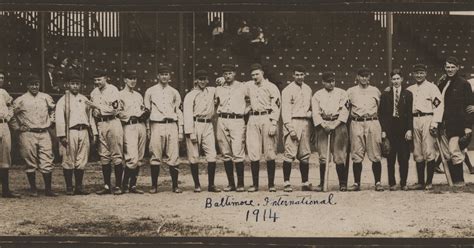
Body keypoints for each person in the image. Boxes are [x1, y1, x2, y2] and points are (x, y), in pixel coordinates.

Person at [11, 74, 57, 197]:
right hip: (28, 133)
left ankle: (48, 189)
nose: (34, 86)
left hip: (44, 132)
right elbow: (11, 114)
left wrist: (52, 121)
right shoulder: (21, 99)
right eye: (32, 84)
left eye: (36, 84)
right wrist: (17, 127)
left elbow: (53, 109)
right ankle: (33, 188)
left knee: (47, 159)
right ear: (27, 86)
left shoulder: (45, 97)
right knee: (30, 160)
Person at [144, 65, 184, 193]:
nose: (164, 77)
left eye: (167, 74)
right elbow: (146, 111)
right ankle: (154, 185)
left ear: (170, 76)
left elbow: (179, 112)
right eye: (162, 74)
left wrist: (181, 130)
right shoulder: (150, 91)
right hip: (156, 124)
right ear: (158, 76)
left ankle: (175, 186)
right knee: (155, 155)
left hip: (172, 124)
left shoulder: (174, 92)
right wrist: (148, 130)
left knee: (174, 155)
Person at [55, 74, 97, 195]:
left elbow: (90, 117)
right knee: (69, 158)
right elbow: (59, 119)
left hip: (83, 130)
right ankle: (69, 187)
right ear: (68, 84)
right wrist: (62, 135)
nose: (75, 86)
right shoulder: (63, 100)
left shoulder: (84, 99)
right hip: (70, 131)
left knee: (81, 159)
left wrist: (93, 133)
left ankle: (79, 187)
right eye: (72, 83)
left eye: (77, 83)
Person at [406, 64, 444, 190]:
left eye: (421, 73)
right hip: (414, 119)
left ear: (426, 73)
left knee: (429, 150)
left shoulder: (432, 87)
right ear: (413, 74)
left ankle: (429, 182)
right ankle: (420, 182)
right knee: (417, 151)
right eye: (417, 73)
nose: (419, 75)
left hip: (428, 118)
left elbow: (438, 106)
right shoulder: (410, 89)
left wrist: (435, 123)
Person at [244, 63, 280, 192]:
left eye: (257, 74)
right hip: (253, 118)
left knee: (270, 152)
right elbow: (236, 89)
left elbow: (276, 106)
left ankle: (271, 184)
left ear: (262, 73)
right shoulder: (248, 86)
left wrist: (274, 123)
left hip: (267, 117)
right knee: (254, 151)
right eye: (252, 74)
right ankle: (255, 184)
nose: (254, 77)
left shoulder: (271, 87)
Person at [437, 56, 472, 187]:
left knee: (454, 151)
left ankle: (459, 181)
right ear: (445, 68)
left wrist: (468, 127)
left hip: (458, 124)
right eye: (448, 67)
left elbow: (470, 107)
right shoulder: (442, 83)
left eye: (452, 67)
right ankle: (452, 182)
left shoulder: (464, 84)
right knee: (447, 154)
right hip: (444, 123)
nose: (450, 69)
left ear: (458, 68)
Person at [183, 70, 221, 193]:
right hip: (195, 124)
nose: (203, 81)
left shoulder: (211, 91)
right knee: (194, 156)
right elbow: (187, 114)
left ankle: (211, 185)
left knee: (212, 155)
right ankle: (197, 185)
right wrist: (190, 132)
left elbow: (222, 81)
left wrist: (221, 79)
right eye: (200, 79)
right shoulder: (190, 95)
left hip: (208, 124)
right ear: (196, 81)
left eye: (205, 79)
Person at [88, 69, 125, 195]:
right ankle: (107, 186)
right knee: (104, 155)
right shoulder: (94, 92)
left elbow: (115, 110)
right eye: (95, 80)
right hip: (101, 123)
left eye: (100, 79)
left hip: (113, 122)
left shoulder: (113, 90)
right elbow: (92, 113)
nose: (97, 82)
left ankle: (118, 186)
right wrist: (95, 113)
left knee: (116, 154)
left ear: (106, 78)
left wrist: (97, 108)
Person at [346, 68, 384, 191]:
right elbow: (346, 109)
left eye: (366, 76)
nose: (363, 79)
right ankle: (357, 183)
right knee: (356, 153)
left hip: (372, 121)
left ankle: (378, 182)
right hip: (356, 122)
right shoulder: (350, 91)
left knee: (375, 154)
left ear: (369, 77)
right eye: (361, 76)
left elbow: (381, 109)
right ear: (357, 77)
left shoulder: (375, 90)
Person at [312, 71, 350, 192]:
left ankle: (342, 183)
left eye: (333, 81)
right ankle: (323, 183)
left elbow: (345, 111)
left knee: (339, 156)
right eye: (328, 81)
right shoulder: (317, 95)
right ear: (323, 82)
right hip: (323, 125)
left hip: (338, 125)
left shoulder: (342, 93)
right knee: (323, 156)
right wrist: (323, 125)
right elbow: (315, 112)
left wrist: (335, 124)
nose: (331, 83)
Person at [215, 64, 249, 192]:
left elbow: (252, 99)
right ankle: (231, 184)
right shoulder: (219, 88)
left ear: (235, 73)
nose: (227, 75)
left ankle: (240, 184)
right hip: (222, 119)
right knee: (225, 153)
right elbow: (214, 100)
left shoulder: (243, 86)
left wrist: (246, 110)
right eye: (225, 73)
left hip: (237, 120)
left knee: (238, 152)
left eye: (230, 73)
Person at [379, 69, 413, 191]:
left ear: (402, 79)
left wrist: (409, 130)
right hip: (390, 129)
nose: (396, 81)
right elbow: (381, 114)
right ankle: (392, 183)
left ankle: (403, 182)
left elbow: (410, 114)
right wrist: (383, 130)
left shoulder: (408, 94)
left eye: (398, 78)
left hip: (403, 129)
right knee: (390, 158)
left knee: (404, 158)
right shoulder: (385, 95)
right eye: (393, 79)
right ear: (391, 80)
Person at [281, 65, 313, 192]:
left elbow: (310, 107)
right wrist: (290, 128)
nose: (300, 77)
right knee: (289, 153)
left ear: (305, 75)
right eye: (297, 74)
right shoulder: (288, 90)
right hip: (293, 121)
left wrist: (309, 115)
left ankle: (305, 182)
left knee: (305, 154)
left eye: (302, 74)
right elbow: (285, 111)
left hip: (305, 122)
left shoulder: (308, 89)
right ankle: (286, 182)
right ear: (293, 75)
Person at [118, 70, 147, 194]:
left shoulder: (138, 95)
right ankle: (124, 185)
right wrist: (129, 117)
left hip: (141, 125)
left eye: (135, 78)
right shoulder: (119, 95)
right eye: (130, 78)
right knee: (132, 157)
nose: (133, 81)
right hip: (128, 125)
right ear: (125, 80)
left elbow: (143, 110)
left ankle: (133, 185)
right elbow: (118, 112)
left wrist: (144, 115)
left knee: (139, 157)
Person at [0, 70, 20, 198]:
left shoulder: (3, 93)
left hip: (3, 125)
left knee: (5, 157)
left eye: (2, 77)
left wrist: (8, 116)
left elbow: (11, 106)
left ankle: (6, 190)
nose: (0, 80)